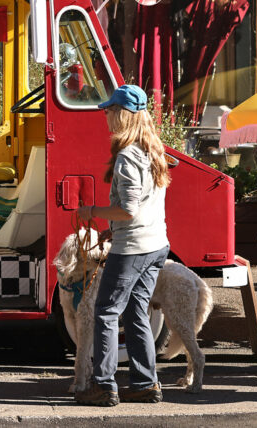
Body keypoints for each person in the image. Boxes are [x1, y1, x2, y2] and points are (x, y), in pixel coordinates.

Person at [74, 84, 170, 407]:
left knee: (105, 311)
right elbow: (144, 205)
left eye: (110, 110)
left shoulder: (127, 155)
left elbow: (128, 209)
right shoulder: (153, 149)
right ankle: (145, 383)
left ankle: (103, 385)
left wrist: (93, 212)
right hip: (156, 244)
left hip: (133, 249)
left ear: (122, 114)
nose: (106, 116)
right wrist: (112, 230)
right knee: (136, 310)